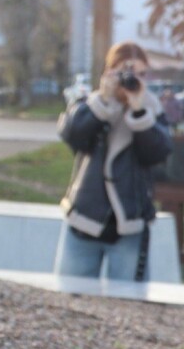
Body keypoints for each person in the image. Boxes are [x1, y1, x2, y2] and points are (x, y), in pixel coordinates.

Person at [56, 41, 173, 281]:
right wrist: (103, 102)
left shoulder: (151, 107)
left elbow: (158, 153)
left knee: (127, 306)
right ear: (109, 71)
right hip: (85, 219)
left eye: (140, 74)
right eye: (125, 72)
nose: (132, 80)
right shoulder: (91, 103)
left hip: (129, 224)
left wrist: (139, 111)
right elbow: (73, 136)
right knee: (70, 298)